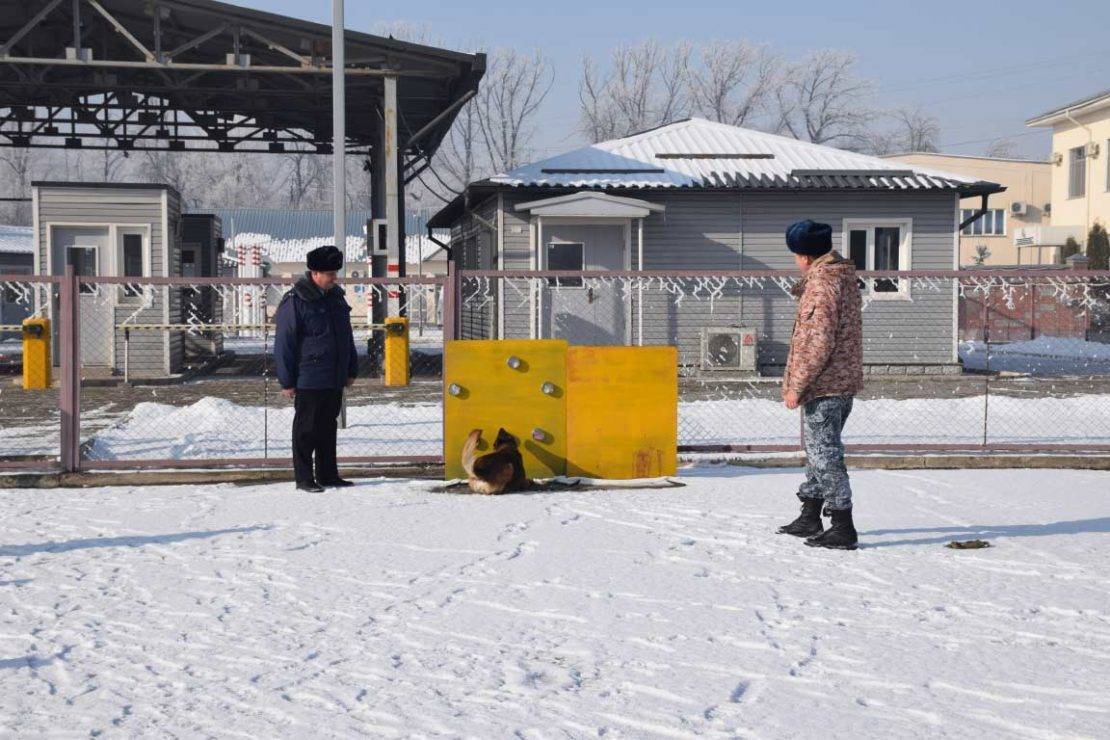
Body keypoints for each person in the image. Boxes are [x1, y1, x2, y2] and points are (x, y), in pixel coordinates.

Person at [777, 220, 863, 550]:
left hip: (826, 384)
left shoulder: (823, 284)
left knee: (825, 455)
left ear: (803, 256)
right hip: (836, 381)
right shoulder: (839, 277)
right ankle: (811, 514)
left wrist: (796, 386)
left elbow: (817, 341)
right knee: (817, 451)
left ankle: (843, 525)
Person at [274, 245, 358, 492]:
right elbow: (285, 344)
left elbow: (346, 337)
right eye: (330, 273)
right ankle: (304, 478)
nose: (334, 278)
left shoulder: (336, 298)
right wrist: (287, 381)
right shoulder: (295, 301)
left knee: (327, 427)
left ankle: (327, 474)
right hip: (308, 378)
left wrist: (351, 369)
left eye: (335, 273)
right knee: (306, 430)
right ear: (315, 273)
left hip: (333, 377)